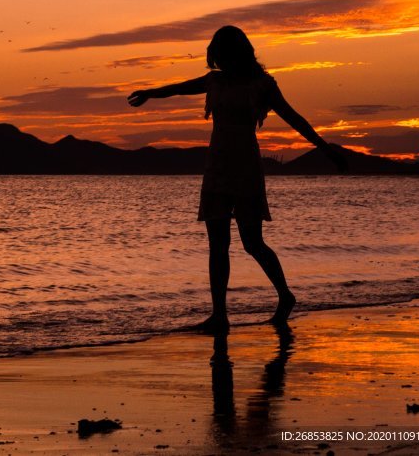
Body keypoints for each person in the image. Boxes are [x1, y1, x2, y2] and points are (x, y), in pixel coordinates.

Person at [127, 25, 346, 331]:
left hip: (245, 168)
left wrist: (326, 149)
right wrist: (150, 93)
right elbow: (179, 87)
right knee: (217, 245)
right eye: (216, 54)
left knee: (252, 242)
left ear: (237, 53)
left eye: (222, 53)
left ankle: (285, 295)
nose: (218, 59)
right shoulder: (214, 81)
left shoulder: (262, 84)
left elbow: (294, 118)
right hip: (216, 168)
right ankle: (219, 315)